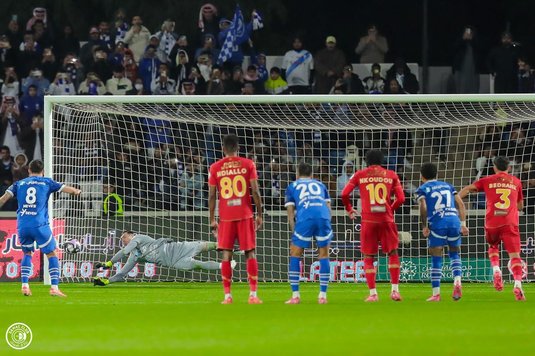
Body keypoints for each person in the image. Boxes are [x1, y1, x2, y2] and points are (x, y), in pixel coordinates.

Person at [0, 159, 81, 297]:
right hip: (39, 225)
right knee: (52, 253)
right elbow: (70, 190)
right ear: (42, 171)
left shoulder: (18, 184)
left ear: (29, 170)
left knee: (27, 254)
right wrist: (77, 191)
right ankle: (54, 288)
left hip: (23, 225)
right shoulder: (47, 182)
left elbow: (2, 200)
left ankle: (25, 286)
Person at [340, 149, 405, 302]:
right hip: (386, 219)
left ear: (367, 161)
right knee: (393, 253)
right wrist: (390, 208)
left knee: (368, 256)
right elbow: (401, 199)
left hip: (368, 221)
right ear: (382, 161)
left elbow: (344, 194)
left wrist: (349, 209)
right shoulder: (391, 175)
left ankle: (373, 294)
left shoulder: (359, 174)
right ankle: (395, 291)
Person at [459, 156, 526, 301]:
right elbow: (521, 206)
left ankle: (496, 270)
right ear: (508, 168)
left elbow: (468, 189)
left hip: (492, 223)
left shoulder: (487, 180)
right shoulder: (516, 181)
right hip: (510, 223)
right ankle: (518, 285)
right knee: (515, 256)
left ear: (494, 167)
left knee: (493, 246)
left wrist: (457, 200)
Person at [208, 134, 264, 304]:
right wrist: (260, 214)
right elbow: (255, 191)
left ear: (223, 148)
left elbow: (211, 195)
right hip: (245, 214)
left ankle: (227, 296)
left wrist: (212, 219)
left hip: (226, 217)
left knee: (226, 253)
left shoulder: (215, 167)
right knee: (250, 252)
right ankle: (253, 295)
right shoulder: (248, 164)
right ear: (238, 148)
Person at [93, 230, 233, 285]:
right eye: (122, 239)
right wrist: (106, 281)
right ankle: (226, 266)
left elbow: (124, 251)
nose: (123, 239)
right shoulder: (134, 256)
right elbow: (122, 274)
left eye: (124, 237)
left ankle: (230, 246)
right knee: (199, 265)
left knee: (207, 246)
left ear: (132, 235)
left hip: (177, 248)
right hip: (174, 261)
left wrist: (109, 263)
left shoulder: (140, 238)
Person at [416, 162, 468, 302]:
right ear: (436, 175)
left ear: (422, 176)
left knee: (436, 256)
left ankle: (436, 294)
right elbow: (461, 204)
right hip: (454, 221)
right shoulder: (448, 186)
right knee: (454, 253)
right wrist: (463, 224)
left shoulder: (423, 188)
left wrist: (424, 225)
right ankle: (457, 280)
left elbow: (423, 206)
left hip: (438, 223)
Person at [285, 162, 332, 304]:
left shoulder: (293, 186)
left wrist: (294, 229)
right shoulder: (320, 185)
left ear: (297, 174)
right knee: (324, 254)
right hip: (323, 217)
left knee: (295, 253)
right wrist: (326, 223)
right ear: (312, 175)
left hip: (305, 218)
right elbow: (329, 208)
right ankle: (322, 296)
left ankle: (295, 296)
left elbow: (290, 212)